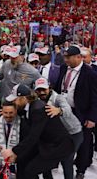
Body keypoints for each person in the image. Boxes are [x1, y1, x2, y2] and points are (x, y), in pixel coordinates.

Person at [1, 84, 74, 179]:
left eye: (15, 100)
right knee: (24, 162)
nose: (14, 103)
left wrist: (13, 151)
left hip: (58, 147)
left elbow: (33, 137)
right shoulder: (30, 107)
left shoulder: (37, 109)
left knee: (30, 170)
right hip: (46, 144)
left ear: (23, 98)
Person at [53, 45, 97, 179]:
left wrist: (92, 117)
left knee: (83, 142)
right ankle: (60, 162)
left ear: (79, 57)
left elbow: (95, 97)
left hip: (81, 112)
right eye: (65, 57)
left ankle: (81, 170)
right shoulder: (63, 69)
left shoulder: (90, 73)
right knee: (61, 138)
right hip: (63, 110)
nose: (65, 60)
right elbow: (57, 88)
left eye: (68, 57)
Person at [34, 77, 83, 179]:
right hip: (56, 135)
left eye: (44, 89)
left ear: (50, 88)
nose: (42, 92)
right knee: (45, 159)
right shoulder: (37, 101)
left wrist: (59, 111)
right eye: (39, 90)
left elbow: (67, 109)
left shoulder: (58, 98)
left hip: (73, 133)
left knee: (67, 160)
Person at [0, 101, 24, 179]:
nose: (8, 115)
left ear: (16, 111)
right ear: (1, 111)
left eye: (11, 112)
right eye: (5, 112)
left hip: (17, 161)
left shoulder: (23, 123)